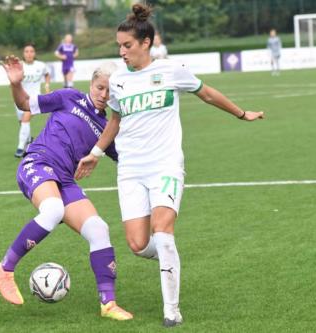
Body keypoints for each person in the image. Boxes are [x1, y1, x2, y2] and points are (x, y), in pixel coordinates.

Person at [75, 3, 264, 327]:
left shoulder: (171, 71)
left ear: (146, 43)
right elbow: (115, 121)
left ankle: (171, 310)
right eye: (119, 45)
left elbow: (207, 94)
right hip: (131, 171)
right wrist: (95, 151)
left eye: (127, 45)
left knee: (162, 231)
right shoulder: (118, 81)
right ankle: (169, 256)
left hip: (165, 165)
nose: (121, 51)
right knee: (137, 243)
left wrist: (241, 112)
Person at [0, 56, 133, 321]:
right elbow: (24, 104)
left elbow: (127, 157)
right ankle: (4, 269)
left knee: (98, 229)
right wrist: (16, 84)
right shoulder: (69, 97)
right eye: (100, 87)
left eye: (110, 91)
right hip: (38, 163)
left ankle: (108, 304)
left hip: (65, 179)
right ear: (92, 84)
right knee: (53, 209)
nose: (104, 95)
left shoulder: (108, 128)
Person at [14, 43, 50, 158]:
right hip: (20, 99)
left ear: (34, 53)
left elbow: (47, 73)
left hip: (34, 99)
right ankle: (29, 140)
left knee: (25, 119)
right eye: (26, 51)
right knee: (22, 122)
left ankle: (20, 148)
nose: (29, 54)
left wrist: (47, 85)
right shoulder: (19, 66)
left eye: (31, 51)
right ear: (23, 54)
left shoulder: (41, 65)